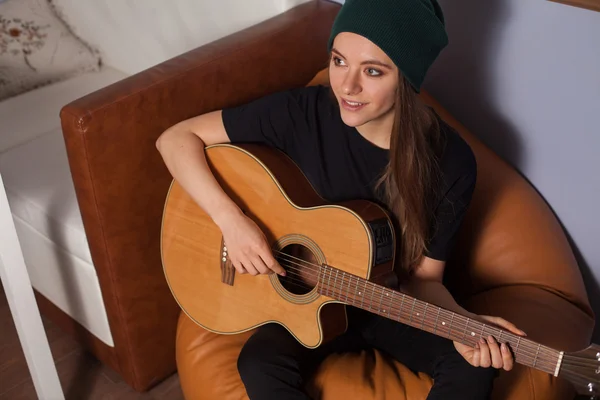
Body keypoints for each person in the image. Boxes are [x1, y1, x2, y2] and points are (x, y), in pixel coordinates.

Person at [156, 0, 527, 398]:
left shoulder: (450, 162)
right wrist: (232, 223)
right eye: (338, 60)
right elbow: (174, 139)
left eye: (372, 71)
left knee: (473, 370)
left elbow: (424, 280)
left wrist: (463, 326)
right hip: (302, 300)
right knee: (258, 363)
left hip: (390, 301)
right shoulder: (302, 113)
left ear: (406, 77)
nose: (347, 86)